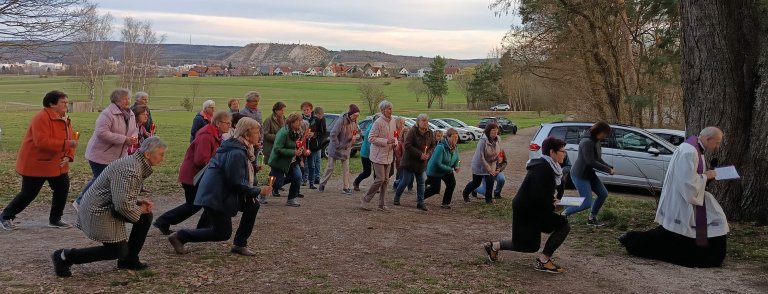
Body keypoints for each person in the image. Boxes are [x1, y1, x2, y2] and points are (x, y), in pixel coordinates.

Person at [52, 137, 167, 277]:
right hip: (97, 210)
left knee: (145, 216)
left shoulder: (135, 163)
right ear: (148, 154)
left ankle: (129, 260)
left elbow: (120, 193)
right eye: (161, 154)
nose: (163, 159)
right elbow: (122, 204)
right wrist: (139, 209)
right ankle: (64, 256)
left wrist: (137, 202)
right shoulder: (131, 169)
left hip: (107, 205)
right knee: (117, 251)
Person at [619, 127, 729, 268]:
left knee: (679, 234)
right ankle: (632, 240)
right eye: (717, 142)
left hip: (686, 196)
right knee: (671, 238)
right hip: (682, 199)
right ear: (708, 139)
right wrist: (707, 176)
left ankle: (632, 239)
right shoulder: (690, 151)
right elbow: (687, 184)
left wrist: (706, 177)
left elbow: (690, 177)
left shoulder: (694, 148)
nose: (718, 146)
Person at [167, 118, 271, 256]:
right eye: (256, 132)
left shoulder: (240, 147)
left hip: (221, 192)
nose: (259, 135)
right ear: (246, 134)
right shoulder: (236, 152)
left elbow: (237, 173)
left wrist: (254, 171)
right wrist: (258, 190)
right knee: (222, 233)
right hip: (216, 195)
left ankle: (240, 244)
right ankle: (180, 236)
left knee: (252, 205)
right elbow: (235, 182)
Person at [483, 137, 571, 274]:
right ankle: (543, 261)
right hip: (527, 210)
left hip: (534, 208)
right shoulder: (543, 168)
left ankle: (493, 246)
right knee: (562, 226)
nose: (564, 154)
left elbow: (548, 190)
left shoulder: (552, 167)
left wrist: (554, 199)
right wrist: (553, 205)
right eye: (562, 151)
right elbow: (537, 194)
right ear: (552, 152)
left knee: (529, 245)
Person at [0, 91, 77, 230]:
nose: (66, 105)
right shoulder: (41, 118)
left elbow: (71, 138)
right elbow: (41, 142)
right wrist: (67, 145)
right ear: (52, 104)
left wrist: (69, 155)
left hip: (57, 164)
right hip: (36, 163)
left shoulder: (64, 118)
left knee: (62, 187)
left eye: (67, 102)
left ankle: (55, 219)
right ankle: (5, 216)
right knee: (28, 193)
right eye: (63, 102)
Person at [153, 111, 233, 235]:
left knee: (206, 201)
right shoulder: (207, 135)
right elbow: (201, 160)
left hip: (198, 175)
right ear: (218, 123)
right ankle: (164, 221)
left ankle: (202, 227)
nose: (229, 126)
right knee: (195, 204)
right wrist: (216, 168)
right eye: (227, 123)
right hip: (193, 175)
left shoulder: (214, 134)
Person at [76, 88, 138, 208]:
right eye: (125, 99)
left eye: (129, 98)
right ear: (116, 100)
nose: (128, 101)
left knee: (112, 181)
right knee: (100, 180)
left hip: (120, 156)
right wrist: (124, 139)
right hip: (101, 154)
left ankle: (103, 204)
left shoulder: (130, 113)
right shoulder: (108, 114)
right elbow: (102, 133)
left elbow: (134, 129)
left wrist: (133, 138)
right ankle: (80, 201)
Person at [564, 121, 614, 226]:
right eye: (605, 134)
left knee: (603, 194)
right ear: (599, 131)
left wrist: (609, 167)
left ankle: (592, 218)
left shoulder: (597, 141)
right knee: (586, 203)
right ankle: (564, 213)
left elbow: (598, 159)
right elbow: (590, 161)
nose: (605, 136)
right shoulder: (586, 142)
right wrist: (608, 170)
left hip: (589, 174)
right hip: (579, 175)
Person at [361, 101, 398, 212]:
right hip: (378, 155)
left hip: (389, 155)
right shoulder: (378, 122)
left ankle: (382, 204)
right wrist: (386, 141)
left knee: (386, 180)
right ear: (382, 110)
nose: (391, 110)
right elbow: (371, 138)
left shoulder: (393, 121)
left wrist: (396, 144)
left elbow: (395, 135)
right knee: (380, 179)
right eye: (388, 108)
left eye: (391, 108)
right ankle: (365, 199)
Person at [394, 114, 435, 211]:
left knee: (421, 182)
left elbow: (432, 146)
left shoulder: (430, 132)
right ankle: (397, 197)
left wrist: (428, 154)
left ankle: (420, 202)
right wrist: (420, 154)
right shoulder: (412, 131)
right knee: (406, 181)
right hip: (410, 161)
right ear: (418, 122)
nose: (425, 123)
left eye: (426, 121)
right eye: (423, 121)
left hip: (421, 163)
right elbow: (407, 145)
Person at [319, 104, 360, 194]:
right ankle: (322, 183)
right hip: (335, 147)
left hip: (346, 148)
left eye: (357, 116)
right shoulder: (341, 120)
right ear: (350, 114)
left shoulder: (355, 121)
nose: (356, 117)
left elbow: (355, 131)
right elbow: (333, 134)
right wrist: (338, 145)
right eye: (355, 115)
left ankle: (346, 187)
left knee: (346, 168)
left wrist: (354, 136)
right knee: (330, 167)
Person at [269, 113, 306, 207]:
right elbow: (277, 149)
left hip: (293, 161)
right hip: (279, 161)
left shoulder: (300, 132)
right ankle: (262, 192)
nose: (300, 123)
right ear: (291, 122)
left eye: (301, 120)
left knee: (297, 177)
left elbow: (299, 144)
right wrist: (293, 152)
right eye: (298, 121)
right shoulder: (283, 133)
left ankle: (291, 199)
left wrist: (302, 150)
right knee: (277, 184)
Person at [461, 122, 503, 204]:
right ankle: (465, 193)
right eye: (493, 131)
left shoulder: (498, 139)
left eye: (496, 130)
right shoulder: (482, 141)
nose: (495, 132)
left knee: (490, 181)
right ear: (488, 131)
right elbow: (481, 157)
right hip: (479, 164)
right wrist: (489, 169)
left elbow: (500, 151)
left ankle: (488, 200)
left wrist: (499, 159)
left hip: (491, 163)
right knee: (476, 183)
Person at [424, 128, 460, 209]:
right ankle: (420, 197)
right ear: (448, 137)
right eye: (454, 137)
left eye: (457, 137)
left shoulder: (455, 147)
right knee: (435, 189)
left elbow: (458, 159)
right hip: (435, 171)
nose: (456, 139)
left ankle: (446, 203)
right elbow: (437, 163)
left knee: (451, 184)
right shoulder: (440, 147)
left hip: (446, 170)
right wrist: (450, 169)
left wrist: (457, 166)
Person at [353, 113, 380, 191]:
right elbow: (369, 144)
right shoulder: (371, 129)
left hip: (373, 153)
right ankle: (356, 182)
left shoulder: (375, 127)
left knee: (377, 171)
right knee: (367, 172)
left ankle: (376, 187)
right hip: (366, 153)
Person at [306, 106, 328, 189]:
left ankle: (312, 181)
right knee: (310, 164)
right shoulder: (312, 119)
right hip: (309, 144)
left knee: (314, 163)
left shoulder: (322, 120)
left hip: (316, 145)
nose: (321, 116)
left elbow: (323, 132)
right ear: (317, 114)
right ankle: (307, 180)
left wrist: (314, 134)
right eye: (320, 115)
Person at [262, 101, 286, 171]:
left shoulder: (284, 118)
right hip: (271, 149)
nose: (283, 112)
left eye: (284, 110)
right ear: (276, 110)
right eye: (281, 110)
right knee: (274, 169)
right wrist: (278, 137)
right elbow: (265, 134)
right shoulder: (268, 120)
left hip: (281, 149)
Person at [392, 117, 412, 192]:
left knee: (410, 176)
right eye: (401, 123)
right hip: (400, 159)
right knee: (401, 175)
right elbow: (395, 140)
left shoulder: (406, 130)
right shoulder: (395, 131)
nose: (402, 124)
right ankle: (397, 184)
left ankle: (410, 187)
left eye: (403, 123)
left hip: (408, 161)